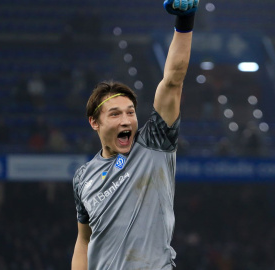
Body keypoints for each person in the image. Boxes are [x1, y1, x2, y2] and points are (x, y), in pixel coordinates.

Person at [71, 1, 199, 269]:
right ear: (94, 122)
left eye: (130, 112)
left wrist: (185, 22)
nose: (127, 119)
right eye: (115, 114)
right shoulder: (83, 177)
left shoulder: (154, 143)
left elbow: (173, 80)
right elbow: (84, 240)